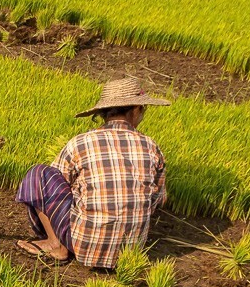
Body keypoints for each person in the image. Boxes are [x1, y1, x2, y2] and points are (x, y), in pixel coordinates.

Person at [15, 76, 169, 269]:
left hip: (84, 248)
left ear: (103, 112)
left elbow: (57, 183)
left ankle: (56, 244)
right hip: (131, 253)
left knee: (39, 174)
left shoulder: (80, 142)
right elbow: (158, 199)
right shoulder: (151, 146)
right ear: (136, 109)